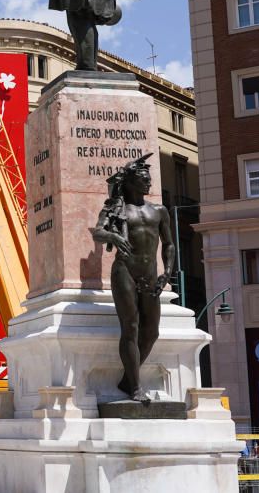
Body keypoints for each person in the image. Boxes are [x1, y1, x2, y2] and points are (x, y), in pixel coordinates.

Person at [92, 153, 173, 403]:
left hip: (151, 275)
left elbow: (169, 244)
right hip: (125, 271)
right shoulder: (117, 209)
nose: (148, 183)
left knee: (152, 332)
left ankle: (127, 381)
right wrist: (114, 237)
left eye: (149, 178)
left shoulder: (159, 210)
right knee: (131, 328)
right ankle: (136, 388)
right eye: (143, 179)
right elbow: (98, 232)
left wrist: (167, 273)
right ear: (130, 182)